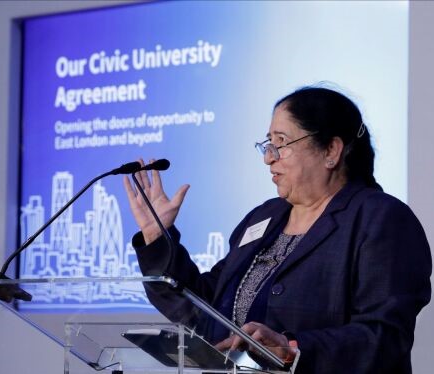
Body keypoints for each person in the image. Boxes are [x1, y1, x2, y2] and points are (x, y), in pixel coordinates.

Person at [124, 86, 432, 373]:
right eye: (268, 144)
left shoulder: (381, 219)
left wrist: (292, 349)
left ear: (331, 151)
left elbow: (386, 338)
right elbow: (203, 310)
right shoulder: (264, 217)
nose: (268, 157)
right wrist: (156, 238)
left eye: (281, 143)